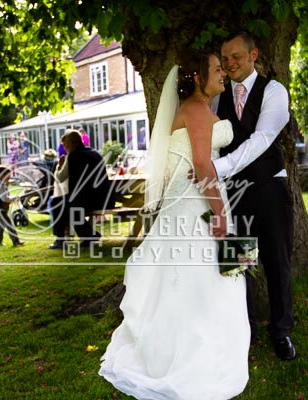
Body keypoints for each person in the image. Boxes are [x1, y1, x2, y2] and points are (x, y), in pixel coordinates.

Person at [99, 51, 250, 399]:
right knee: (204, 278)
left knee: (194, 277)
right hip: (197, 201)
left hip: (185, 198)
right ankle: (193, 356)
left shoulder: (196, 111)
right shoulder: (197, 111)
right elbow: (200, 162)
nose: (222, 75)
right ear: (198, 78)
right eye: (215, 70)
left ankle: (181, 347)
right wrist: (219, 213)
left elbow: (181, 164)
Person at [213, 31, 295, 361]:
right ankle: (244, 329)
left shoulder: (274, 91)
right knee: (239, 265)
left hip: (269, 190)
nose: (230, 63)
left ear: (253, 55)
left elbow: (262, 138)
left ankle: (282, 331)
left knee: (277, 263)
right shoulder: (219, 98)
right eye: (225, 58)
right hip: (234, 195)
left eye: (236, 56)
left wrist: (218, 168)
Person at [48, 130, 114, 249]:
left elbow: (60, 178)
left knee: (57, 203)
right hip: (104, 197)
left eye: (66, 145)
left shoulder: (72, 156)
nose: (65, 147)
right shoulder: (95, 153)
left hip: (85, 199)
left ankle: (60, 239)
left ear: (72, 143)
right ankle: (89, 236)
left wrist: (59, 166)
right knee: (71, 207)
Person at [0, 169, 24, 247]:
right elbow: (4, 198)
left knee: (1, 225)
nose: (9, 177)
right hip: (0, 209)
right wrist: (16, 198)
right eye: (8, 175)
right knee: (9, 225)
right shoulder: (0, 185)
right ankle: (16, 241)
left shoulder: (0, 183)